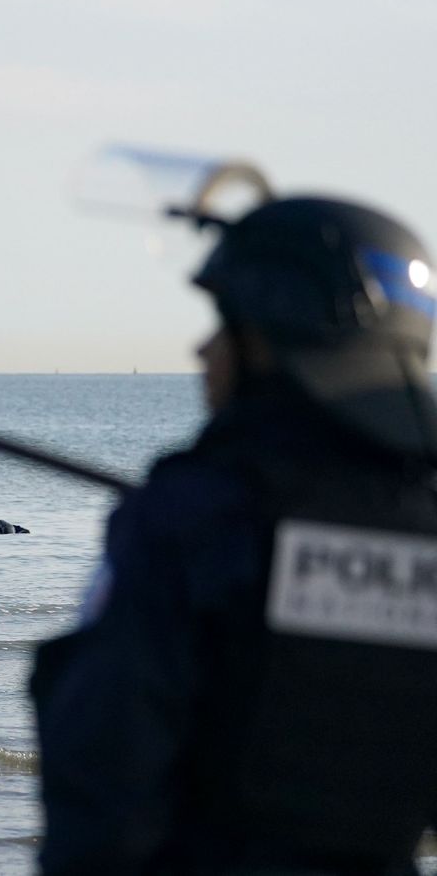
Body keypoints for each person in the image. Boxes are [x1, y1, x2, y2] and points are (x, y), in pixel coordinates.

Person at [31, 197, 437, 875]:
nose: (203, 349)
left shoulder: (190, 517)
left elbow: (106, 766)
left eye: (227, 327)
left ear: (272, 347)